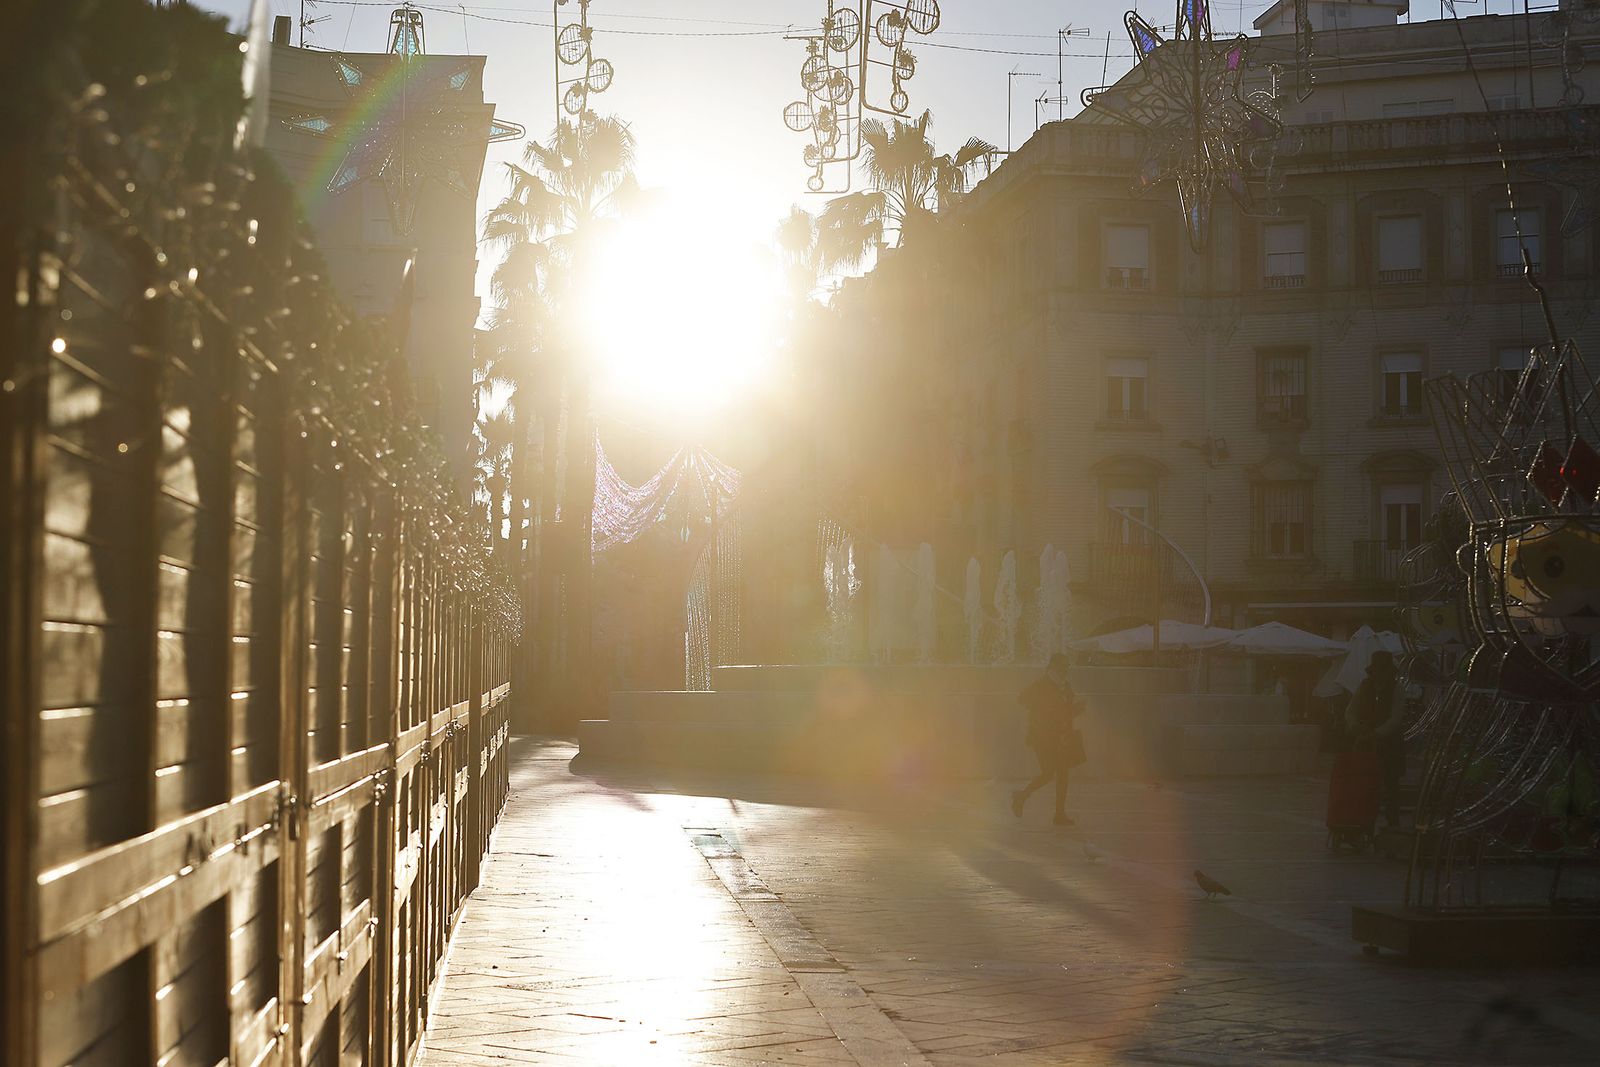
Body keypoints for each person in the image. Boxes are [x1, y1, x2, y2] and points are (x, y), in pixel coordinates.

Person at [1011, 653, 1086, 826]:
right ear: (1053, 666)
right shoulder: (1041, 685)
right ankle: (1021, 796)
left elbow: (1065, 712)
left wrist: (1076, 710)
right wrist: (1042, 712)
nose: (1065, 669)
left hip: (1060, 737)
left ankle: (1059, 814)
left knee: (1062, 774)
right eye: (1062, 666)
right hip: (1042, 737)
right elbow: (1022, 699)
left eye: (1067, 666)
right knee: (1048, 773)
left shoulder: (1065, 686)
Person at [1347, 650, 1407, 828]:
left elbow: (1396, 717)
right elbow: (1350, 711)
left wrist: (1378, 733)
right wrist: (1355, 726)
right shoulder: (1364, 686)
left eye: (1383, 670)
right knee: (1365, 782)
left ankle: (1392, 821)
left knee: (1391, 783)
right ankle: (1364, 819)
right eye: (1377, 670)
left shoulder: (1397, 689)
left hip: (1390, 744)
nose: (1379, 674)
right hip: (1366, 742)